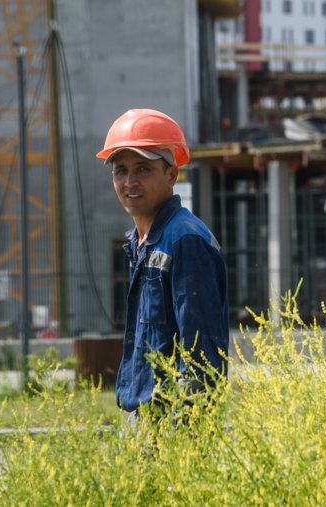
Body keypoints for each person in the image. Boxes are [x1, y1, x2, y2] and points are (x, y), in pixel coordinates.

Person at [96, 108, 229, 418]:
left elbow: (200, 354)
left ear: (171, 174)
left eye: (143, 169)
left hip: (171, 424)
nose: (130, 181)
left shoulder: (185, 240)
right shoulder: (140, 243)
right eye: (121, 170)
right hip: (142, 416)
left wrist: (183, 430)